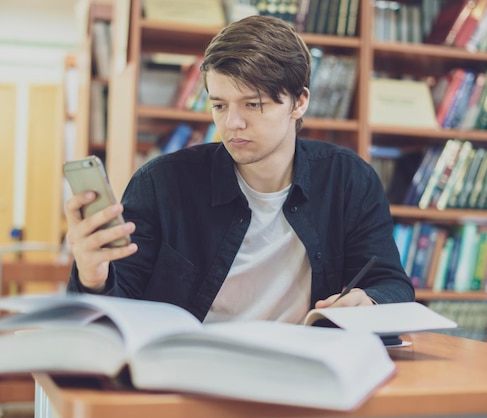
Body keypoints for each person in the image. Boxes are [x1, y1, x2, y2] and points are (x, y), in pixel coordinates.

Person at [65, 15, 414, 323]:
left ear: (299, 102)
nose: (232, 123)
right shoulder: (162, 183)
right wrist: (92, 276)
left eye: (253, 104)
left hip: (299, 372)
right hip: (187, 372)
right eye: (219, 105)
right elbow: (115, 315)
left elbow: (392, 284)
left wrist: (367, 300)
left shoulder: (348, 180)